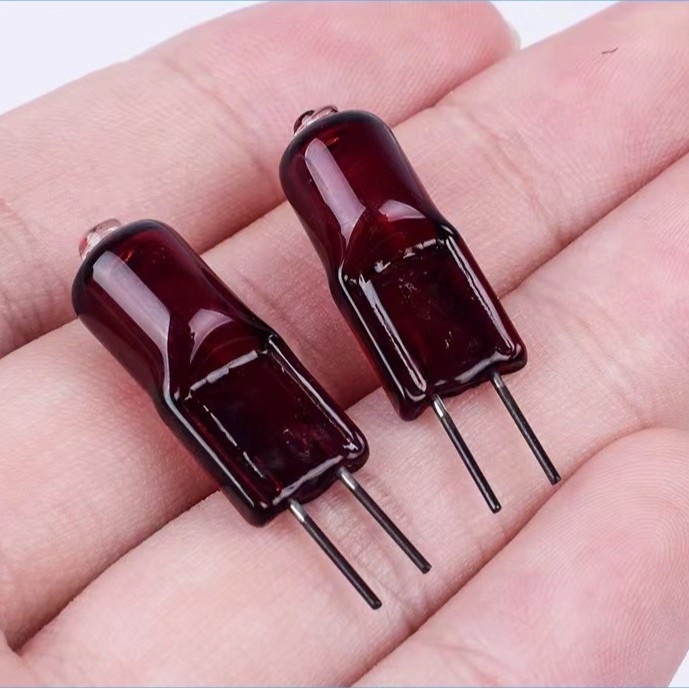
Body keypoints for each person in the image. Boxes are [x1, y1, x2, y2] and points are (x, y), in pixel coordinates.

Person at [0, 1, 688, 686]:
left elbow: (369, 271)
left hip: (313, 361)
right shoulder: (131, 295)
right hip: (262, 401)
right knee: (308, 307)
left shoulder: (374, 234)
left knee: (361, 275)